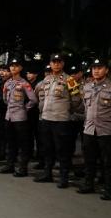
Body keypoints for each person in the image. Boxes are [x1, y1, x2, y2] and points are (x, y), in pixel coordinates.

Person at [77, 59, 111, 200]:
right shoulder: (87, 86)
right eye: (94, 68)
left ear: (106, 70)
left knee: (108, 161)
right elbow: (85, 107)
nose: (96, 70)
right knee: (89, 159)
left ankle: (109, 189)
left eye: (100, 67)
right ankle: (88, 184)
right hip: (89, 129)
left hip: (106, 129)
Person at [36, 54, 84, 188]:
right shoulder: (46, 79)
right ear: (50, 64)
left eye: (58, 62)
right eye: (53, 62)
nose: (56, 64)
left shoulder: (70, 80)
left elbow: (77, 100)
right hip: (46, 118)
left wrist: (68, 111)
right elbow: (41, 97)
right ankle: (47, 174)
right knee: (47, 148)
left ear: (63, 64)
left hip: (61, 120)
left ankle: (64, 178)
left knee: (63, 150)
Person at [0, 58, 38, 177]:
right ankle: (10, 165)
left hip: (20, 117)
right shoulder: (7, 83)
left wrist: (24, 108)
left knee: (23, 143)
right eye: (11, 66)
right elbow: (5, 99)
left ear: (20, 68)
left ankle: (22, 167)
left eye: (16, 66)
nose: (13, 68)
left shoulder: (24, 83)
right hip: (9, 116)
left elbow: (33, 99)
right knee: (10, 142)